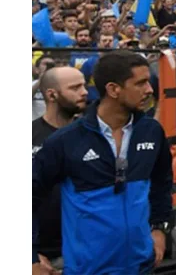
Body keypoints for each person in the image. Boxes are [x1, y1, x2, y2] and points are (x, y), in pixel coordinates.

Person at [32, 50, 173, 275]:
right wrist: (31, 257)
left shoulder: (151, 131)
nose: (150, 90)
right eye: (141, 83)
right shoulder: (65, 141)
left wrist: (159, 228)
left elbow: (162, 183)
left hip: (141, 266)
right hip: (88, 269)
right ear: (113, 89)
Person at [32, 67, 88, 273]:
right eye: (75, 87)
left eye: (83, 85)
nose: (84, 92)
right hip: (42, 253)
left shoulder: (92, 135)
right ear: (52, 94)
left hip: (85, 249)